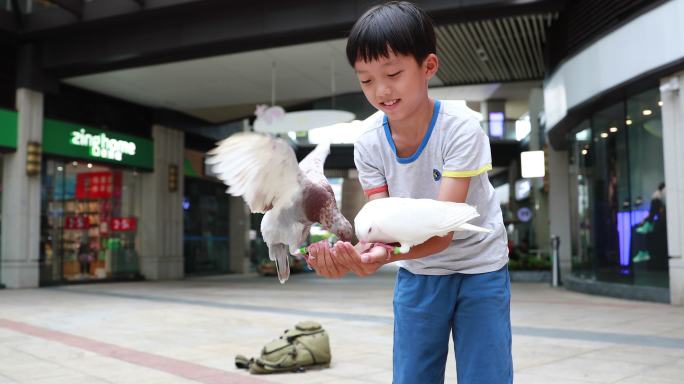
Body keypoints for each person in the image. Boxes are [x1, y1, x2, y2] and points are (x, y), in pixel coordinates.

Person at [306, 2, 512, 383]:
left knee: (487, 376)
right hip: (418, 272)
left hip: (479, 266)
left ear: (428, 67)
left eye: (394, 73)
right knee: (412, 377)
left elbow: (444, 232)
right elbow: (381, 220)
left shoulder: (461, 128)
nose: (381, 90)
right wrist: (357, 254)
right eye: (366, 80)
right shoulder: (368, 142)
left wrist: (380, 259)